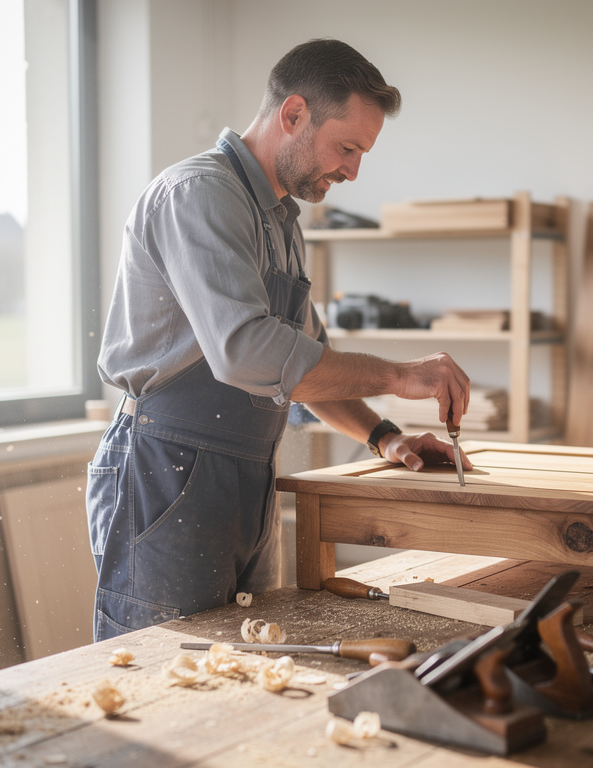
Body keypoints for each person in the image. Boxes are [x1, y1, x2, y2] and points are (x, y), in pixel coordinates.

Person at [86, 38, 472, 641]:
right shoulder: (201, 194)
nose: (352, 170)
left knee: (246, 657)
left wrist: (386, 437)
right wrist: (400, 376)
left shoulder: (281, 220)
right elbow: (248, 352)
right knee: (163, 669)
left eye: (362, 153)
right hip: (168, 469)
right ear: (293, 114)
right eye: (347, 147)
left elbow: (303, 367)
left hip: (248, 471)